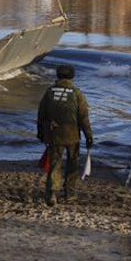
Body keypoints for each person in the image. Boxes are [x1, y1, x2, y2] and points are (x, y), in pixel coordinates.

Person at [36, 64, 93, 206]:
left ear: (58, 75)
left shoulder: (49, 92)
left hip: (54, 134)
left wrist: (40, 133)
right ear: (72, 76)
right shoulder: (76, 93)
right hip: (72, 135)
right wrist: (89, 136)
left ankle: (51, 194)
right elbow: (83, 117)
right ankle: (69, 194)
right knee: (72, 164)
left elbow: (41, 115)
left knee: (54, 164)